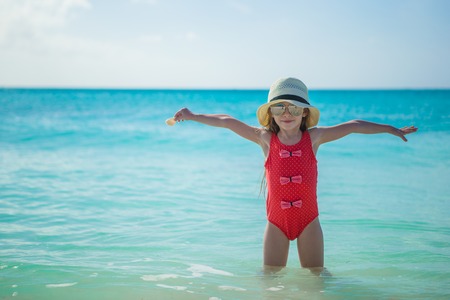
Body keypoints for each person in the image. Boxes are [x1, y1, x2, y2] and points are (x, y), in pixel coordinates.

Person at [171, 77, 417, 272]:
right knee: (270, 280)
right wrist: (193, 116)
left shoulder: (315, 137)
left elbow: (353, 125)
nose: (286, 112)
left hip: (309, 221)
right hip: (276, 222)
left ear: (304, 113)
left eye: (294, 107)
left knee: (316, 279)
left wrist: (389, 129)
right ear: (272, 113)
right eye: (279, 106)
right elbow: (226, 120)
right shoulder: (265, 139)